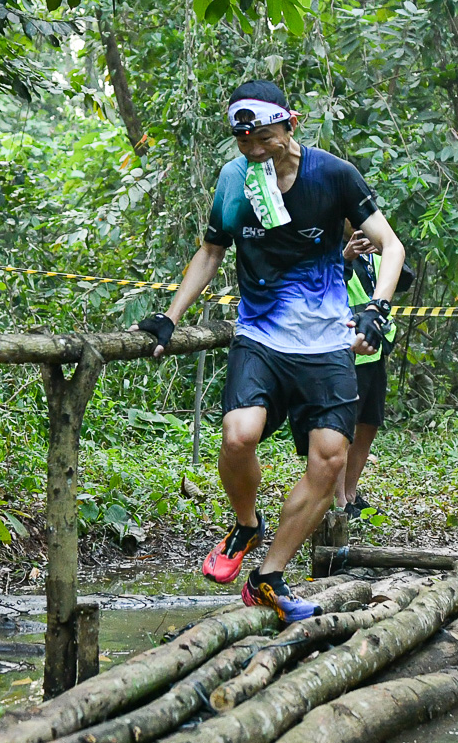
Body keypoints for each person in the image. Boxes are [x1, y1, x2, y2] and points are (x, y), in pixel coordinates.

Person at [135, 81, 406, 621]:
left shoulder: (334, 174)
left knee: (329, 460)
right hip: (260, 335)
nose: (256, 150)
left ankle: (268, 576)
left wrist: (376, 307)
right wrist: (170, 316)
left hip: (326, 342)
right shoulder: (234, 179)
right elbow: (211, 251)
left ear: (291, 124)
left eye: (265, 138)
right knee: (238, 437)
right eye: (245, 141)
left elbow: (391, 244)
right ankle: (246, 524)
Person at [338, 222, 411, 516]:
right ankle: (338, 501)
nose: (357, 221)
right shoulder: (328, 242)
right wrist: (344, 258)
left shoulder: (377, 245)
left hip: (374, 350)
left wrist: (383, 247)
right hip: (344, 351)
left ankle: (351, 493)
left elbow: (405, 278)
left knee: (368, 424)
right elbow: (316, 285)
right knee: (341, 430)